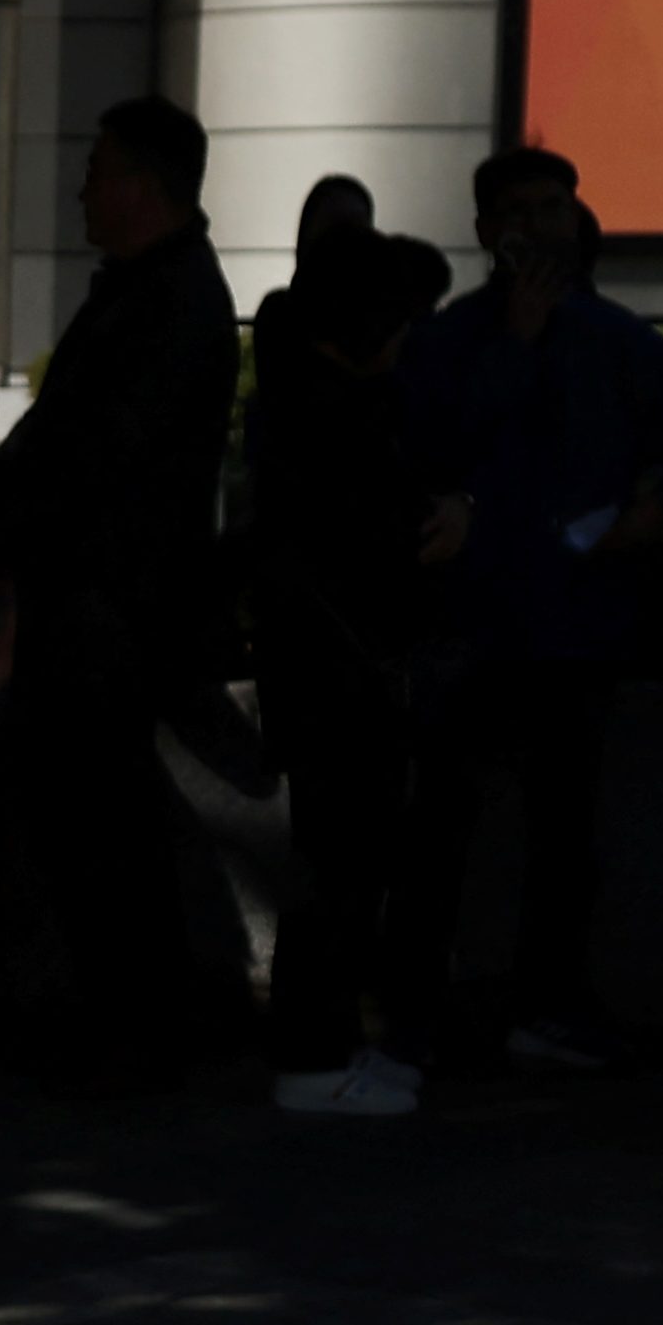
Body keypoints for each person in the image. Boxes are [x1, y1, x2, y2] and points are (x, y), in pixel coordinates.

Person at [391, 146, 663, 1078]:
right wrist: (515, 342)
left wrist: (655, 513)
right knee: (437, 831)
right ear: (484, 229)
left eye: (557, 206)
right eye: (522, 209)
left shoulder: (617, 341)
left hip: (577, 619)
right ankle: (414, 1009)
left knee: (563, 828)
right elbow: (425, 447)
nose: (543, 226)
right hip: (467, 620)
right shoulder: (450, 339)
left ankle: (545, 1002)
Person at [0, 94, 242, 1085]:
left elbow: (96, 453)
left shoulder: (168, 302)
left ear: (140, 183)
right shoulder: (148, 291)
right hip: (98, 600)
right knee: (94, 819)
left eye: (95, 170)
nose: (81, 189)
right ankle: (124, 1022)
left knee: (105, 824)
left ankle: (133, 1027)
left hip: (110, 605)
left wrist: (0, 507)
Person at [246, 229, 457, 1115]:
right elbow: (384, 544)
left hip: (312, 669)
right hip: (353, 674)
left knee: (330, 864)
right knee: (342, 870)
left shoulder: (285, 402)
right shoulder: (356, 415)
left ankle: (320, 1050)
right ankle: (317, 1056)